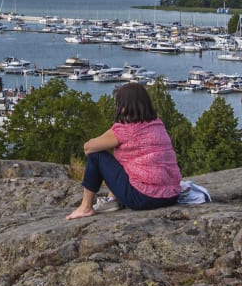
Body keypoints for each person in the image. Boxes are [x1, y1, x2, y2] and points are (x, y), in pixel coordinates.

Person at [66, 82, 181, 219]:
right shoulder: (157, 124)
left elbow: (88, 147)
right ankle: (113, 199)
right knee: (130, 161)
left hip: (143, 198)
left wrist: (115, 129)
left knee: (96, 156)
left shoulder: (126, 129)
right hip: (172, 195)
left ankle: (85, 207)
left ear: (124, 107)